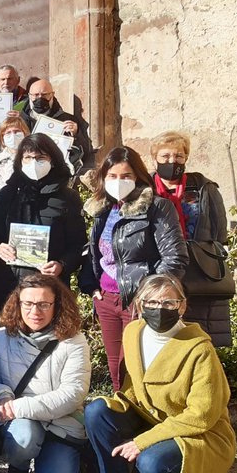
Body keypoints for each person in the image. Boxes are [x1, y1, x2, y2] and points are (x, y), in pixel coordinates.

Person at [84, 275, 236, 473]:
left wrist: (143, 441)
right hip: (152, 417)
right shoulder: (133, 331)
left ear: (182, 306)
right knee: (96, 411)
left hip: (196, 430)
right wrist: (118, 406)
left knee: (151, 464)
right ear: (141, 305)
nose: (159, 309)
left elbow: (202, 415)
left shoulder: (200, 349)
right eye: (151, 303)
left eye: (168, 303)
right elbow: (133, 384)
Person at [0, 274, 90, 473]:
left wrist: (16, 406)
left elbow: (73, 394)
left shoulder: (74, 341)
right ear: (17, 304)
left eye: (43, 304)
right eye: (27, 303)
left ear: (56, 306)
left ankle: (66, 465)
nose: (35, 311)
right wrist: (2, 396)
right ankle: (18, 469)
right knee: (25, 435)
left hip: (60, 424)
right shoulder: (1, 337)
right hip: (22, 423)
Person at [80, 146, 188, 391]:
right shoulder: (103, 210)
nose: (119, 182)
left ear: (138, 176)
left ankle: (144, 414)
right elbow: (95, 252)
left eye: (126, 176)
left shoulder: (157, 208)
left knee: (135, 363)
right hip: (107, 299)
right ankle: (122, 414)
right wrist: (91, 286)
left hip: (139, 301)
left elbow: (174, 257)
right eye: (113, 176)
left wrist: (151, 297)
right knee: (115, 365)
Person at [0, 133, 86, 316]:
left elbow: (78, 244)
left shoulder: (67, 198)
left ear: (53, 160)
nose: (34, 163)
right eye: (28, 158)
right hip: (9, 286)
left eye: (40, 158)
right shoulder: (7, 195)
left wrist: (62, 264)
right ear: (20, 161)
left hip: (49, 290)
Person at [149, 131, 233, 346]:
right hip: (158, 269)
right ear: (155, 158)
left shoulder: (204, 188)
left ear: (186, 158)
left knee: (199, 339)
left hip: (198, 271)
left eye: (178, 156)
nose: (172, 161)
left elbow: (219, 233)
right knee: (162, 338)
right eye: (165, 156)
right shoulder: (144, 190)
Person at [18, 78, 93, 174]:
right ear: (29, 96)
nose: (40, 98)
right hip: (24, 172)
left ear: (52, 94)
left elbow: (86, 151)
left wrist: (77, 134)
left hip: (56, 173)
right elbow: (0, 148)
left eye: (44, 94)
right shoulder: (18, 121)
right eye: (36, 95)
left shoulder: (67, 119)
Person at [0, 115, 29, 205]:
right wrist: (4, 195)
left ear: (25, 133)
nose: (13, 135)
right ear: (2, 139)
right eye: (8, 133)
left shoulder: (34, 156)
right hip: (5, 209)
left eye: (17, 131)